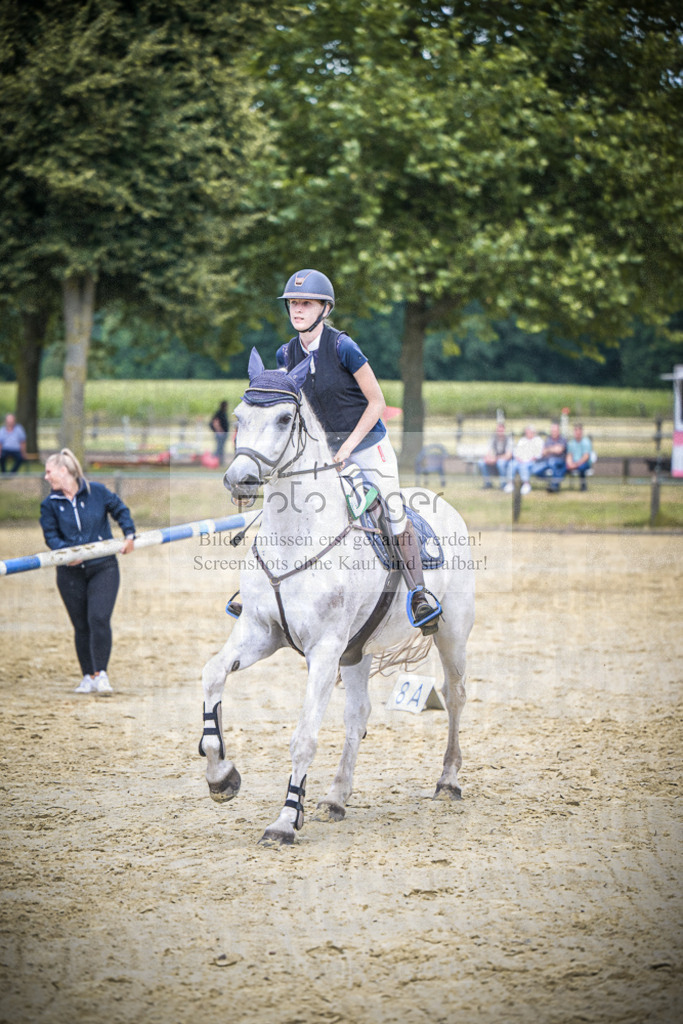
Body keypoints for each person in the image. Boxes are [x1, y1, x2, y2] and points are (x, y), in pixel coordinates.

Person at [275, 268, 440, 634]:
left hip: (367, 445)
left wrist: (348, 447)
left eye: (306, 303)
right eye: (293, 304)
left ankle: (419, 593)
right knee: (291, 505)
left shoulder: (342, 347)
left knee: (392, 509)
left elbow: (377, 402)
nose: (297, 310)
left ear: (325, 308)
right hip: (322, 453)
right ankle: (265, 588)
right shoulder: (285, 354)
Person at [39, 448, 136, 694]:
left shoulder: (97, 492)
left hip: (103, 566)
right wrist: (67, 553)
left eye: (49, 471)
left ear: (64, 470)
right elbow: (51, 536)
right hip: (70, 573)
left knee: (98, 618)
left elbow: (120, 510)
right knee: (81, 625)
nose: (46, 477)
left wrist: (129, 533)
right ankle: (88, 676)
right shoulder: (50, 504)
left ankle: (101, 673)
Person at [504, 424, 544, 495]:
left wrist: (528, 460)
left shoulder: (538, 440)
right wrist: (518, 458)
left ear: (533, 432)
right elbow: (516, 452)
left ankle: (526, 484)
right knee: (512, 464)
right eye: (526, 432)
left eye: (529, 432)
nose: (527, 434)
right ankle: (510, 483)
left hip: (532, 461)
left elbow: (538, 454)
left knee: (523, 466)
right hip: (520, 460)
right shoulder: (522, 440)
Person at [531, 419, 568, 493]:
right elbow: (543, 452)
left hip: (559, 461)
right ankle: (552, 482)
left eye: (555, 430)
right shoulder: (548, 439)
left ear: (558, 430)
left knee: (552, 462)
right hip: (547, 461)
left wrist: (549, 450)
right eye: (552, 430)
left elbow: (559, 450)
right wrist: (552, 449)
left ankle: (554, 485)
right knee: (534, 470)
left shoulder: (563, 439)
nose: (553, 432)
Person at [477, 421, 514, 489]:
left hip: (504, 461)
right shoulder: (493, 438)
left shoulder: (508, 439)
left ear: (504, 430)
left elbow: (508, 455)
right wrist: (488, 458)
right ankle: (487, 483)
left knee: (501, 463)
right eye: (498, 430)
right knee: (481, 462)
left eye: (501, 430)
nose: (500, 431)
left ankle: (503, 484)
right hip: (495, 459)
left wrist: (496, 458)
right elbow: (489, 451)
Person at [566, 423, 595, 490]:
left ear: (581, 431)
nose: (577, 432)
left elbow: (586, 457)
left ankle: (583, 486)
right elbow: (569, 455)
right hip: (574, 463)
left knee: (582, 467)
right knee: (563, 466)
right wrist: (570, 464)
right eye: (575, 430)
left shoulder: (586, 442)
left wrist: (575, 464)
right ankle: (555, 485)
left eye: (578, 430)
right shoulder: (571, 443)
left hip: (584, 463)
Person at [210, 400, 229, 465]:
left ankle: (220, 461)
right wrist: (220, 430)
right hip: (220, 433)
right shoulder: (219, 413)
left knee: (221, 448)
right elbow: (215, 423)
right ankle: (215, 462)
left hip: (223, 433)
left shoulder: (223, 413)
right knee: (219, 448)